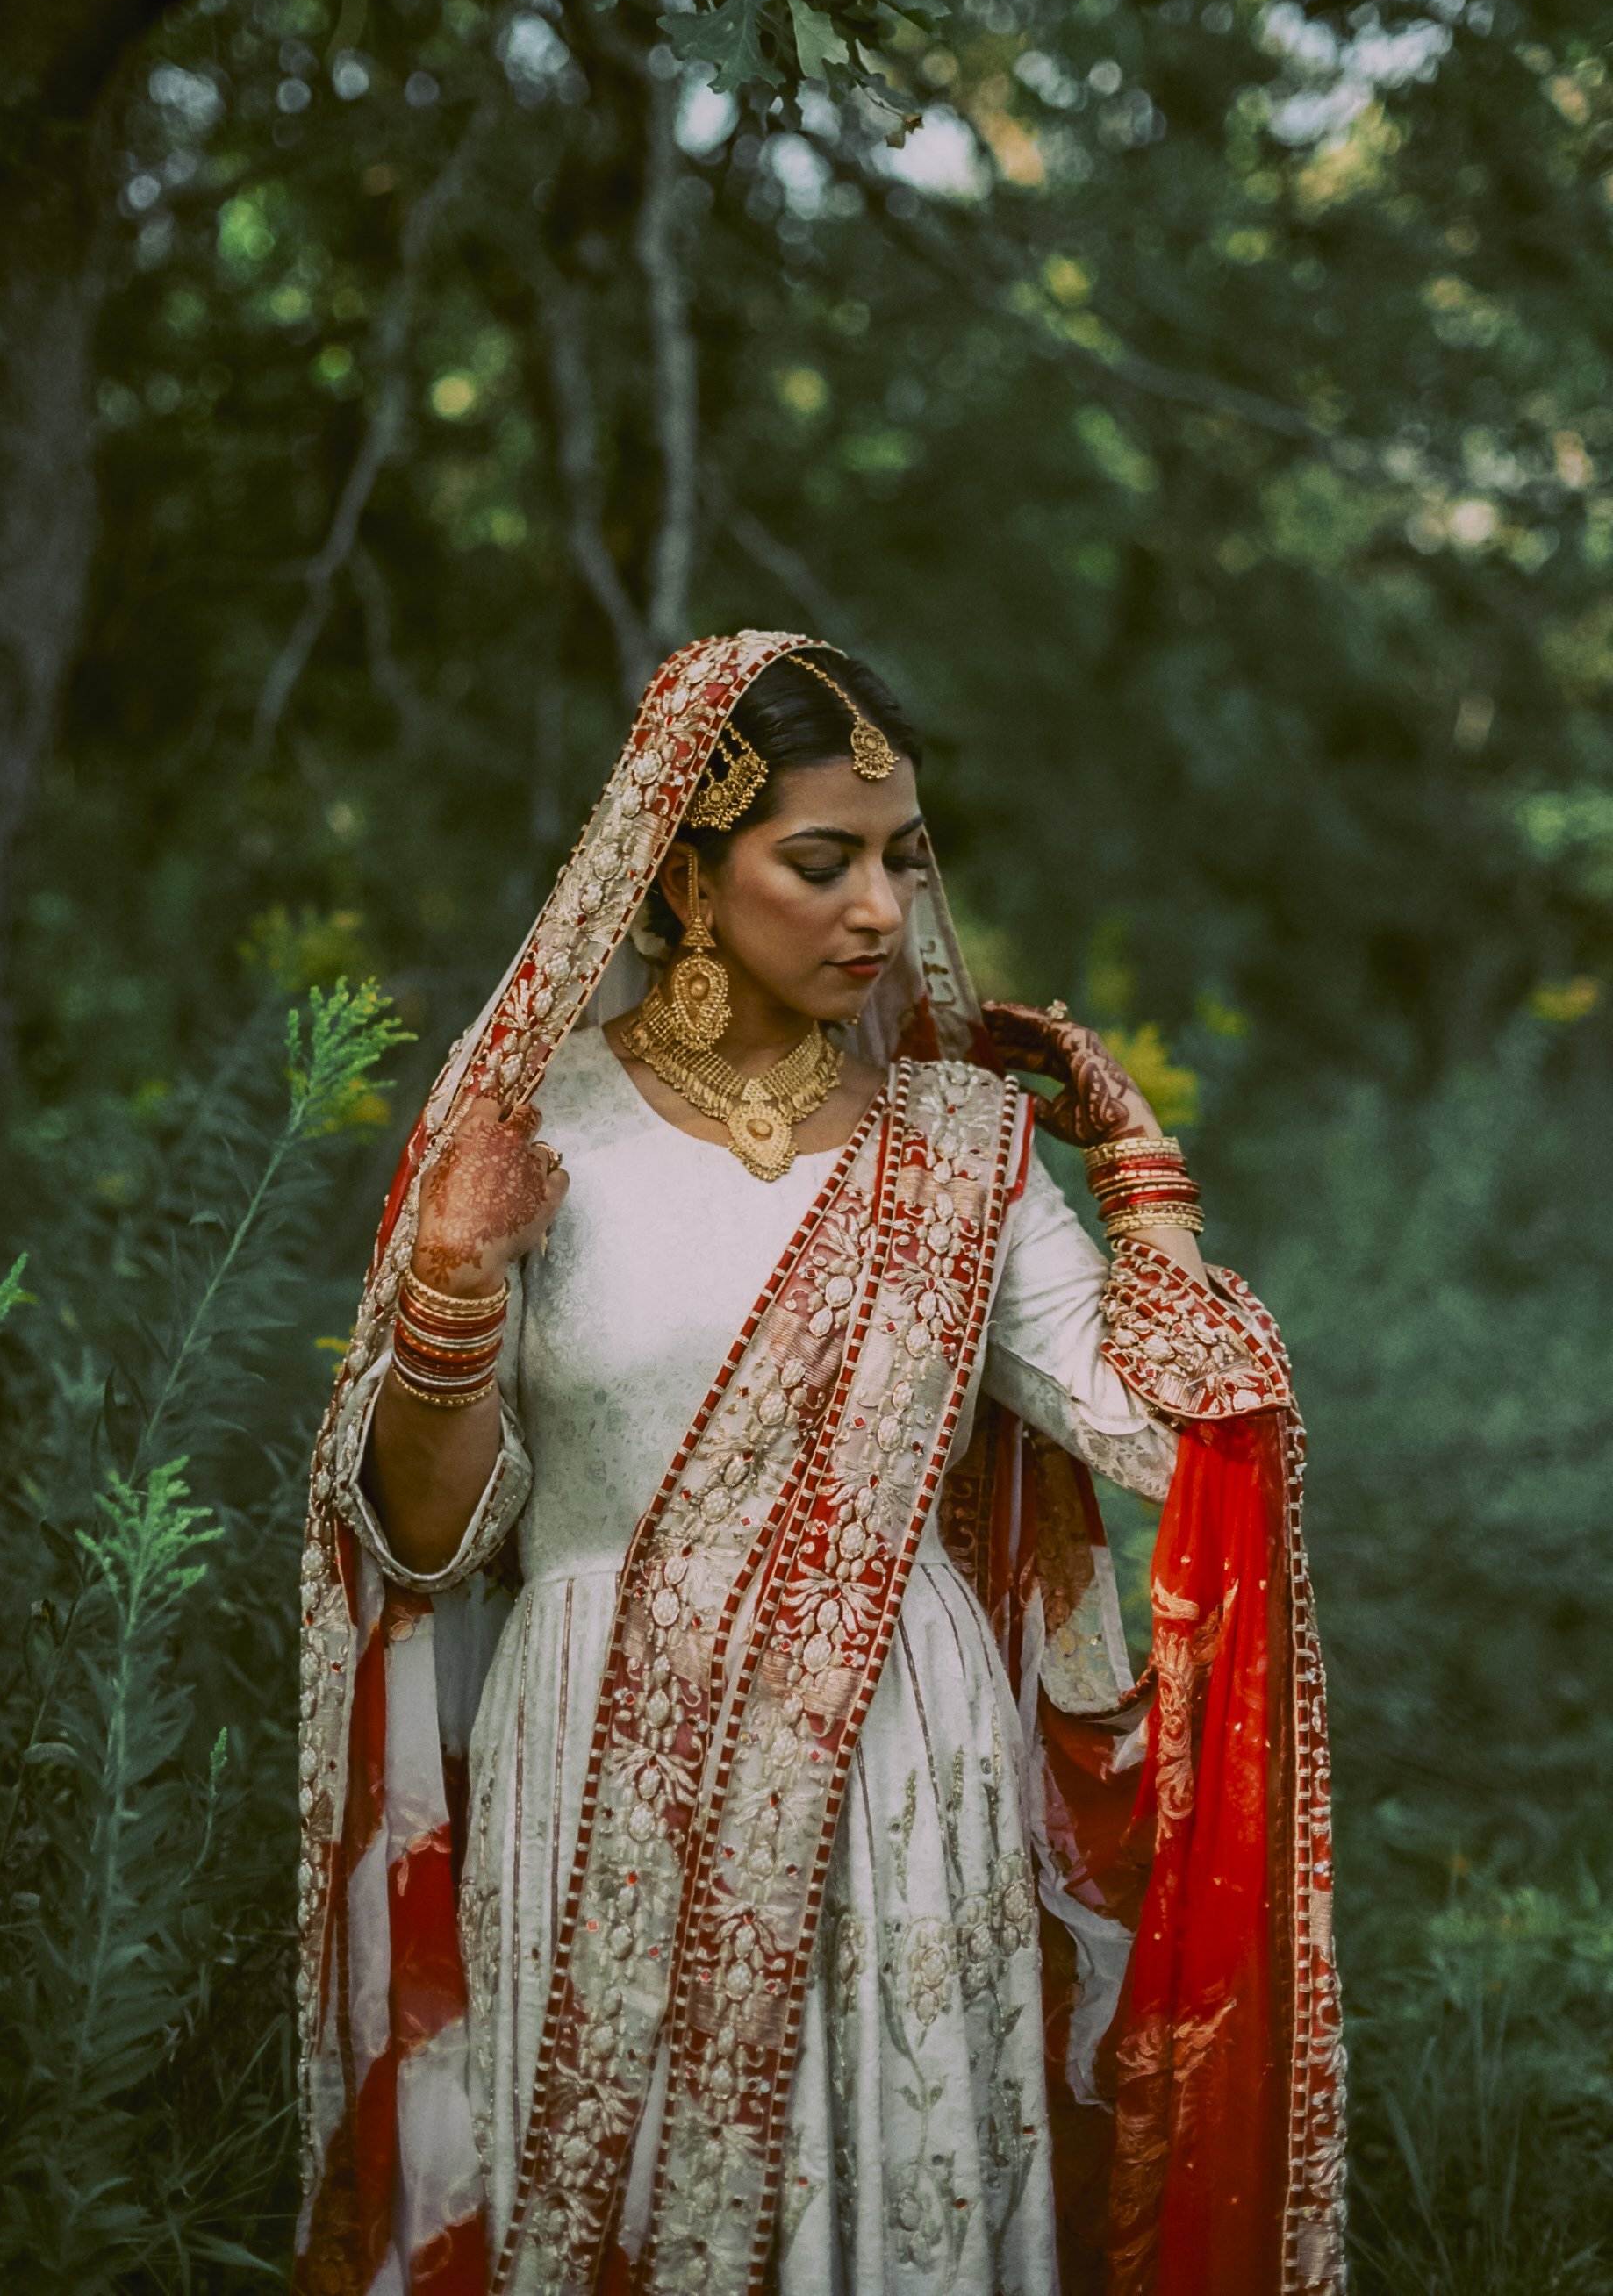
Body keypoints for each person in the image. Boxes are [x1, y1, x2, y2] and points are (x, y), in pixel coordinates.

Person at [294, 633, 1344, 2296]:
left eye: (902, 860)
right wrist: (453, 1280)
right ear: (689, 879)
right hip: (596, 1750)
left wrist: (1140, 1179)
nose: (879, 910)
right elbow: (422, 1546)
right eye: (823, 860)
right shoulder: (530, 1132)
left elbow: (1175, 1432)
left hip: (899, 1768)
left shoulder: (964, 1151)